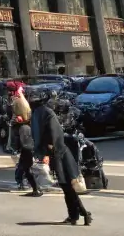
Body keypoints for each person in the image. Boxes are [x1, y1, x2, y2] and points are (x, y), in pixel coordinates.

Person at [34, 94, 91, 227]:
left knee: (67, 186)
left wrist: (50, 149)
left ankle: (83, 213)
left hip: (60, 154)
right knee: (66, 187)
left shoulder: (46, 114)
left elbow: (55, 134)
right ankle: (74, 215)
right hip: (57, 154)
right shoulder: (44, 114)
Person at [12, 88, 41, 196]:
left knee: (27, 169)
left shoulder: (24, 126)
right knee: (25, 168)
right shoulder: (27, 121)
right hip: (27, 148)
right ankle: (34, 188)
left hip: (27, 148)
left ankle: (36, 189)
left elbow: (24, 142)